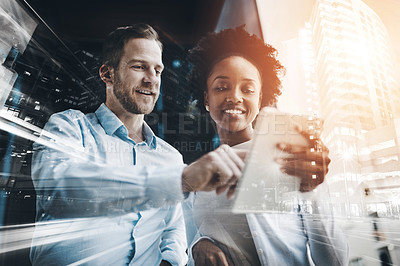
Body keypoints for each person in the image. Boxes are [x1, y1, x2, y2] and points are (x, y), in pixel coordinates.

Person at [30, 24, 246, 266]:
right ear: (107, 74)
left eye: (157, 70)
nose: (151, 79)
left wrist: (170, 261)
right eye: (139, 66)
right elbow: (61, 191)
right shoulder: (70, 127)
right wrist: (178, 181)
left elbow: (173, 229)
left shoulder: (170, 158)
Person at [184, 25, 349, 265]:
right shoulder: (196, 180)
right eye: (221, 87)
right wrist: (197, 245)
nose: (235, 97)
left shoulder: (289, 157)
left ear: (260, 98)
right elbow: (187, 247)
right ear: (207, 98)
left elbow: (334, 260)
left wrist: (311, 190)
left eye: (247, 89)